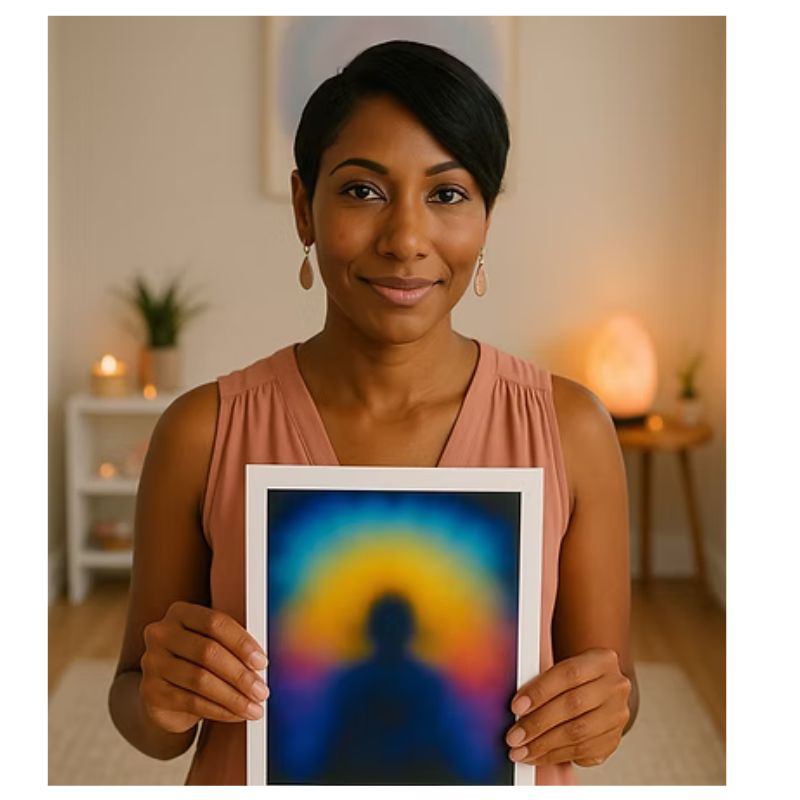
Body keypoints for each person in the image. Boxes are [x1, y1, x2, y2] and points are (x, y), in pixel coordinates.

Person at [108, 39, 638, 786]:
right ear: (304, 206)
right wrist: (161, 699)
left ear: (487, 215)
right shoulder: (202, 432)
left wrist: (601, 711)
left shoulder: (571, 429)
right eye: (362, 190)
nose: (405, 240)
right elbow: (139, 708)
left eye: (447, 194)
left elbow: (617, 689)